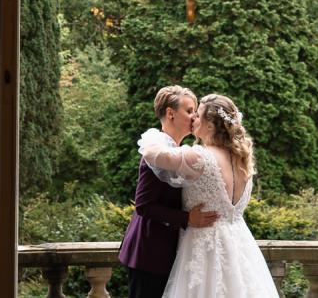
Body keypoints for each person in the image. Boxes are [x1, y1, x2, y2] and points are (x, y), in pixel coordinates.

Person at [139, 92, 278, 297]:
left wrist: (154, 135)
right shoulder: (242, 161)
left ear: (210, 124)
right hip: (239, 246)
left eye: (198, 114)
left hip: (203, 249)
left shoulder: (201, 156)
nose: (194, 117)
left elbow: (153, 154)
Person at [118, 85, 219, 298]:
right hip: (149, 253)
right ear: (171, 113)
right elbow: (144, 205)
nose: (194, 117)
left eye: (194, 112)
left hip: (170, 252)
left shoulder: (177, 153)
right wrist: (187, 218)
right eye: (189, 111)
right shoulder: (157, 152)